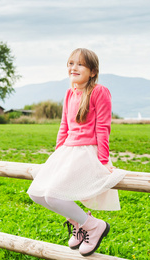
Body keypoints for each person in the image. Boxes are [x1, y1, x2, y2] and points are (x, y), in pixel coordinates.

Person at [27, 48, 126, 256]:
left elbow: (103, 127)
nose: (74, 68)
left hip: (86, 151)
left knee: (54, 194)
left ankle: (94, 226)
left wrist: (104, 159)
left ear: (92, 71)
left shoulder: (99, 92)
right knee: (36, 193)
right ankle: (81, 223)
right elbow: (64, 125)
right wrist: (57, 155)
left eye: (80, 64)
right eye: (71, 64)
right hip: (67, 150)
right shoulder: (70, 93)